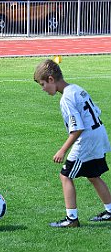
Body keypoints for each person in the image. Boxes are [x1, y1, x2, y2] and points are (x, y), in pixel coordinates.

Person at [34, 59, 111, 227]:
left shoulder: (66, 99)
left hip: (87, 139)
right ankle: (110, 211)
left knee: (65, 175)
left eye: (42, 84)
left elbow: (78, 128)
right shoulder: (76, 89)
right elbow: (96, 112)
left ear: (51, 79)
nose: (43, 89)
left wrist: (62, 150)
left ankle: (71, 219)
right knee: (93, 175)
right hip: (99, 133)